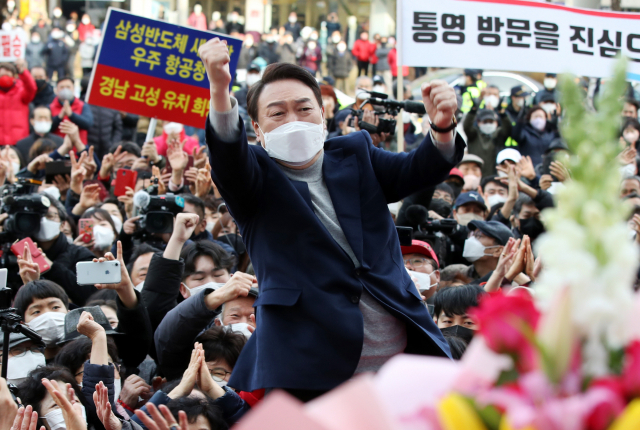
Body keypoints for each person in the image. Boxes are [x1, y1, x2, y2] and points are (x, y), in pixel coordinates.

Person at [199, 37, 465, 400]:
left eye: (304, 108)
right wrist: (219, 89)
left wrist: (442, 128)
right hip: (311, 366)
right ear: (258, 131)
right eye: (277, 113)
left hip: (399, 353)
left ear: (322, 116)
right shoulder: (253, 179)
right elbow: (227, 156)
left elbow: (418, 169)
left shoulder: (355, 152)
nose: (293, 119)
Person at [463, 108, 512, 177]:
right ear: (478, 123)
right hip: (476, 175)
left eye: (491, 122)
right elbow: (467, 127)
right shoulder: (474, 135)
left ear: (496, 123)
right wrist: (472, 112)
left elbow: (508, 128)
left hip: (494, 175)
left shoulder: (498, 135)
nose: (488, 124)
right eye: (485, 122)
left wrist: (503, 114)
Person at [0, 60, 36, 146]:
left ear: (14, 77)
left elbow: (32, 88)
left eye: (7, 75)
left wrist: (23, 72)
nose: (4, 78)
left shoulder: (22, 92)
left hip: (19, 142)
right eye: (1, 76)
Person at [49, 77, 94, 144]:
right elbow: (48, 127)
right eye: (62, 87)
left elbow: (88, 124)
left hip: (78, 149)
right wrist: (59, 117)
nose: (65, 90)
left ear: (73, 89)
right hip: (56, 146)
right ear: (56, 90)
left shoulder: (83, 106)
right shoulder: (50, 107)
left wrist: (71, 115)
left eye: (68, 87)